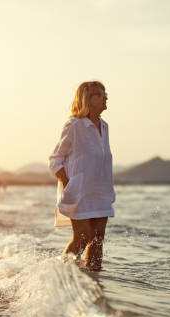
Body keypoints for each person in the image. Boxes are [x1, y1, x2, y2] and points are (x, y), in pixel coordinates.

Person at [48, 81, 115, 271]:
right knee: (82, 237)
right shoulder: (74, 125)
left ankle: (94, 281)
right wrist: (67, 183)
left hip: (101, 192)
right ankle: (62, 274)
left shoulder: (105, 126)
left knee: (98, 239)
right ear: (88, 99)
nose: (106, 97)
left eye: (105, 94)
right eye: (101, 94)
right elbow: (55, 159)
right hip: (79, 192)